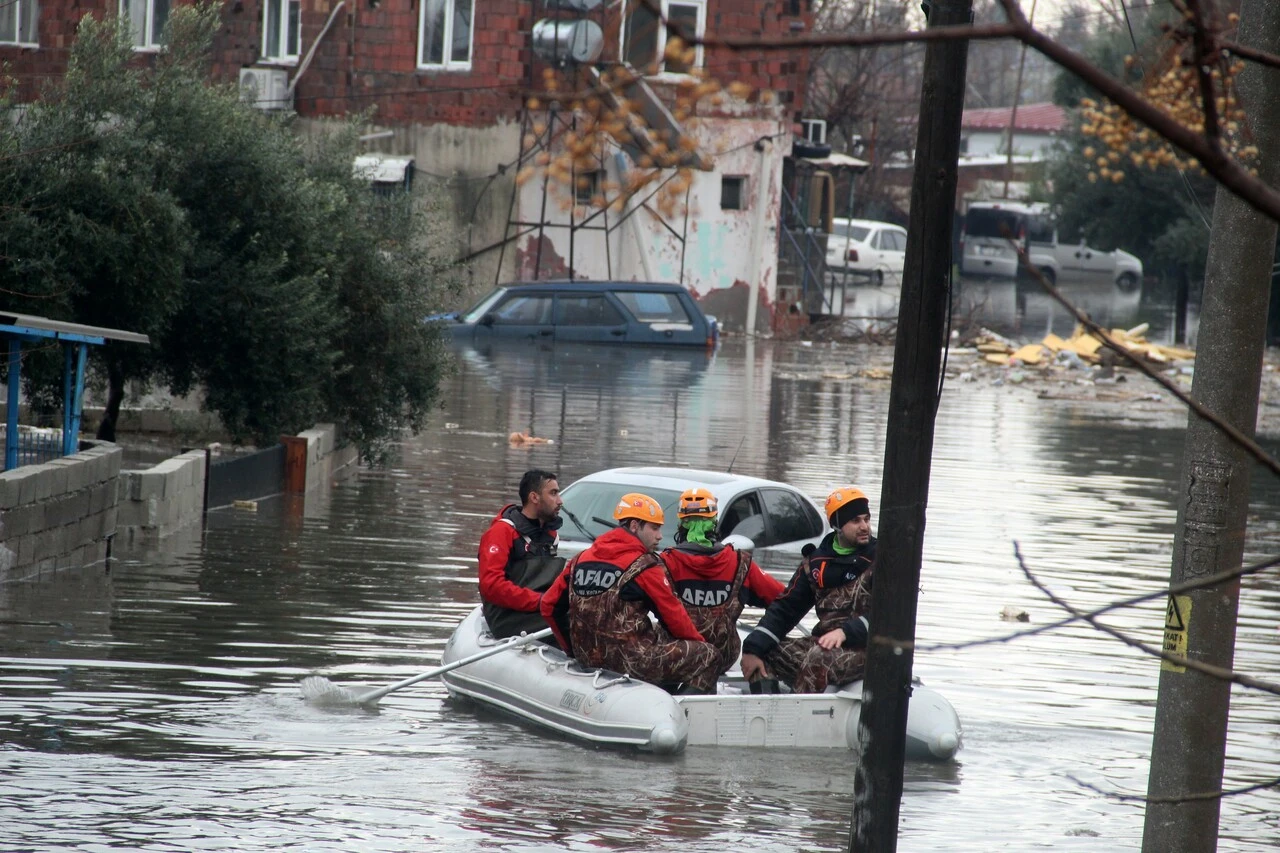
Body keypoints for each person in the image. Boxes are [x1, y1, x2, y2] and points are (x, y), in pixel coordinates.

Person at [540, 492, 721, 694]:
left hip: (587, 659)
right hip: (630, 663)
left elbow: (548, 606)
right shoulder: (644, 565)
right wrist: (699, 644)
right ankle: (677, 711)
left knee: (658, 632)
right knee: (709, 656)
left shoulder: (580, 559)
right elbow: (676, 621)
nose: (660, 536)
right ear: (635, 526)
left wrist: (572, 651)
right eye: (654, 528)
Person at [739, 487, 876, 693]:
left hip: (867, 650)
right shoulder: (815, 563)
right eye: (856, 521)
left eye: (867, 519)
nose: (864, 526)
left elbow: (891, 615)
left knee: (818, 656)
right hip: (824, 645)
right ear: (837, 524)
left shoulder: (882, 558)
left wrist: (846, 632)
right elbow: (786, 608)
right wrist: (753, 647)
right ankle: (767, 709)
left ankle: (795, 718)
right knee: (765, 651)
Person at [661, 487, 784, 674]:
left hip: (678, 654)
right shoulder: (740, 562)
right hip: (724, 655)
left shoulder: (665, 563)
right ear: (714, 520)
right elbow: (783, 599)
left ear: (681, 522)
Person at [477, 469, 565, 640]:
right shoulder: (501, 532)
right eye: (553, 493)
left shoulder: (550, 536)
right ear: (534, 497)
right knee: (571, 622)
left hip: (535, 611)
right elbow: (491, 586)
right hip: (506, 617)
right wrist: (540, 601)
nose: (560, 501)